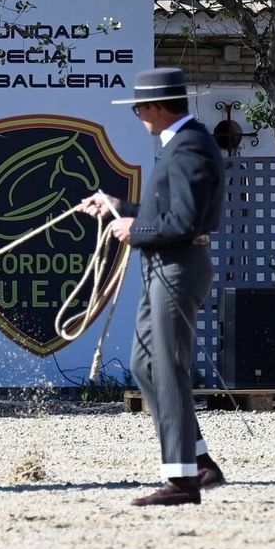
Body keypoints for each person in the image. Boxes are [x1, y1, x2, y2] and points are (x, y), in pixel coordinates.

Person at [79, 68, 225, 507]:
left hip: (178, 268)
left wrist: (134, 228)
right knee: (146, 364)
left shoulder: (190, 148)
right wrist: (119, 207)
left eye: (141, 107)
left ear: (158, 108)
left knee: (166, 366)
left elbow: (184, 222)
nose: (139, 115)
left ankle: (181, 480)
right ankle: (200, 461)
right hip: (164, 265)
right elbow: (168, 211)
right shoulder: (182, 144)